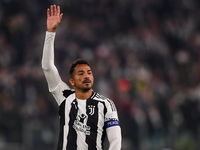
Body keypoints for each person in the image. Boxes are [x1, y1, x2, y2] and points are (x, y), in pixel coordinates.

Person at [41, 4, 122, 150]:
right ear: (71, 81)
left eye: (89, 73)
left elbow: (115, 139)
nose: (86, 76)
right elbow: (47, 67)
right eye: (81, 73)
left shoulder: (105, 104)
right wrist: (51, 33)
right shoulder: (64, 96)